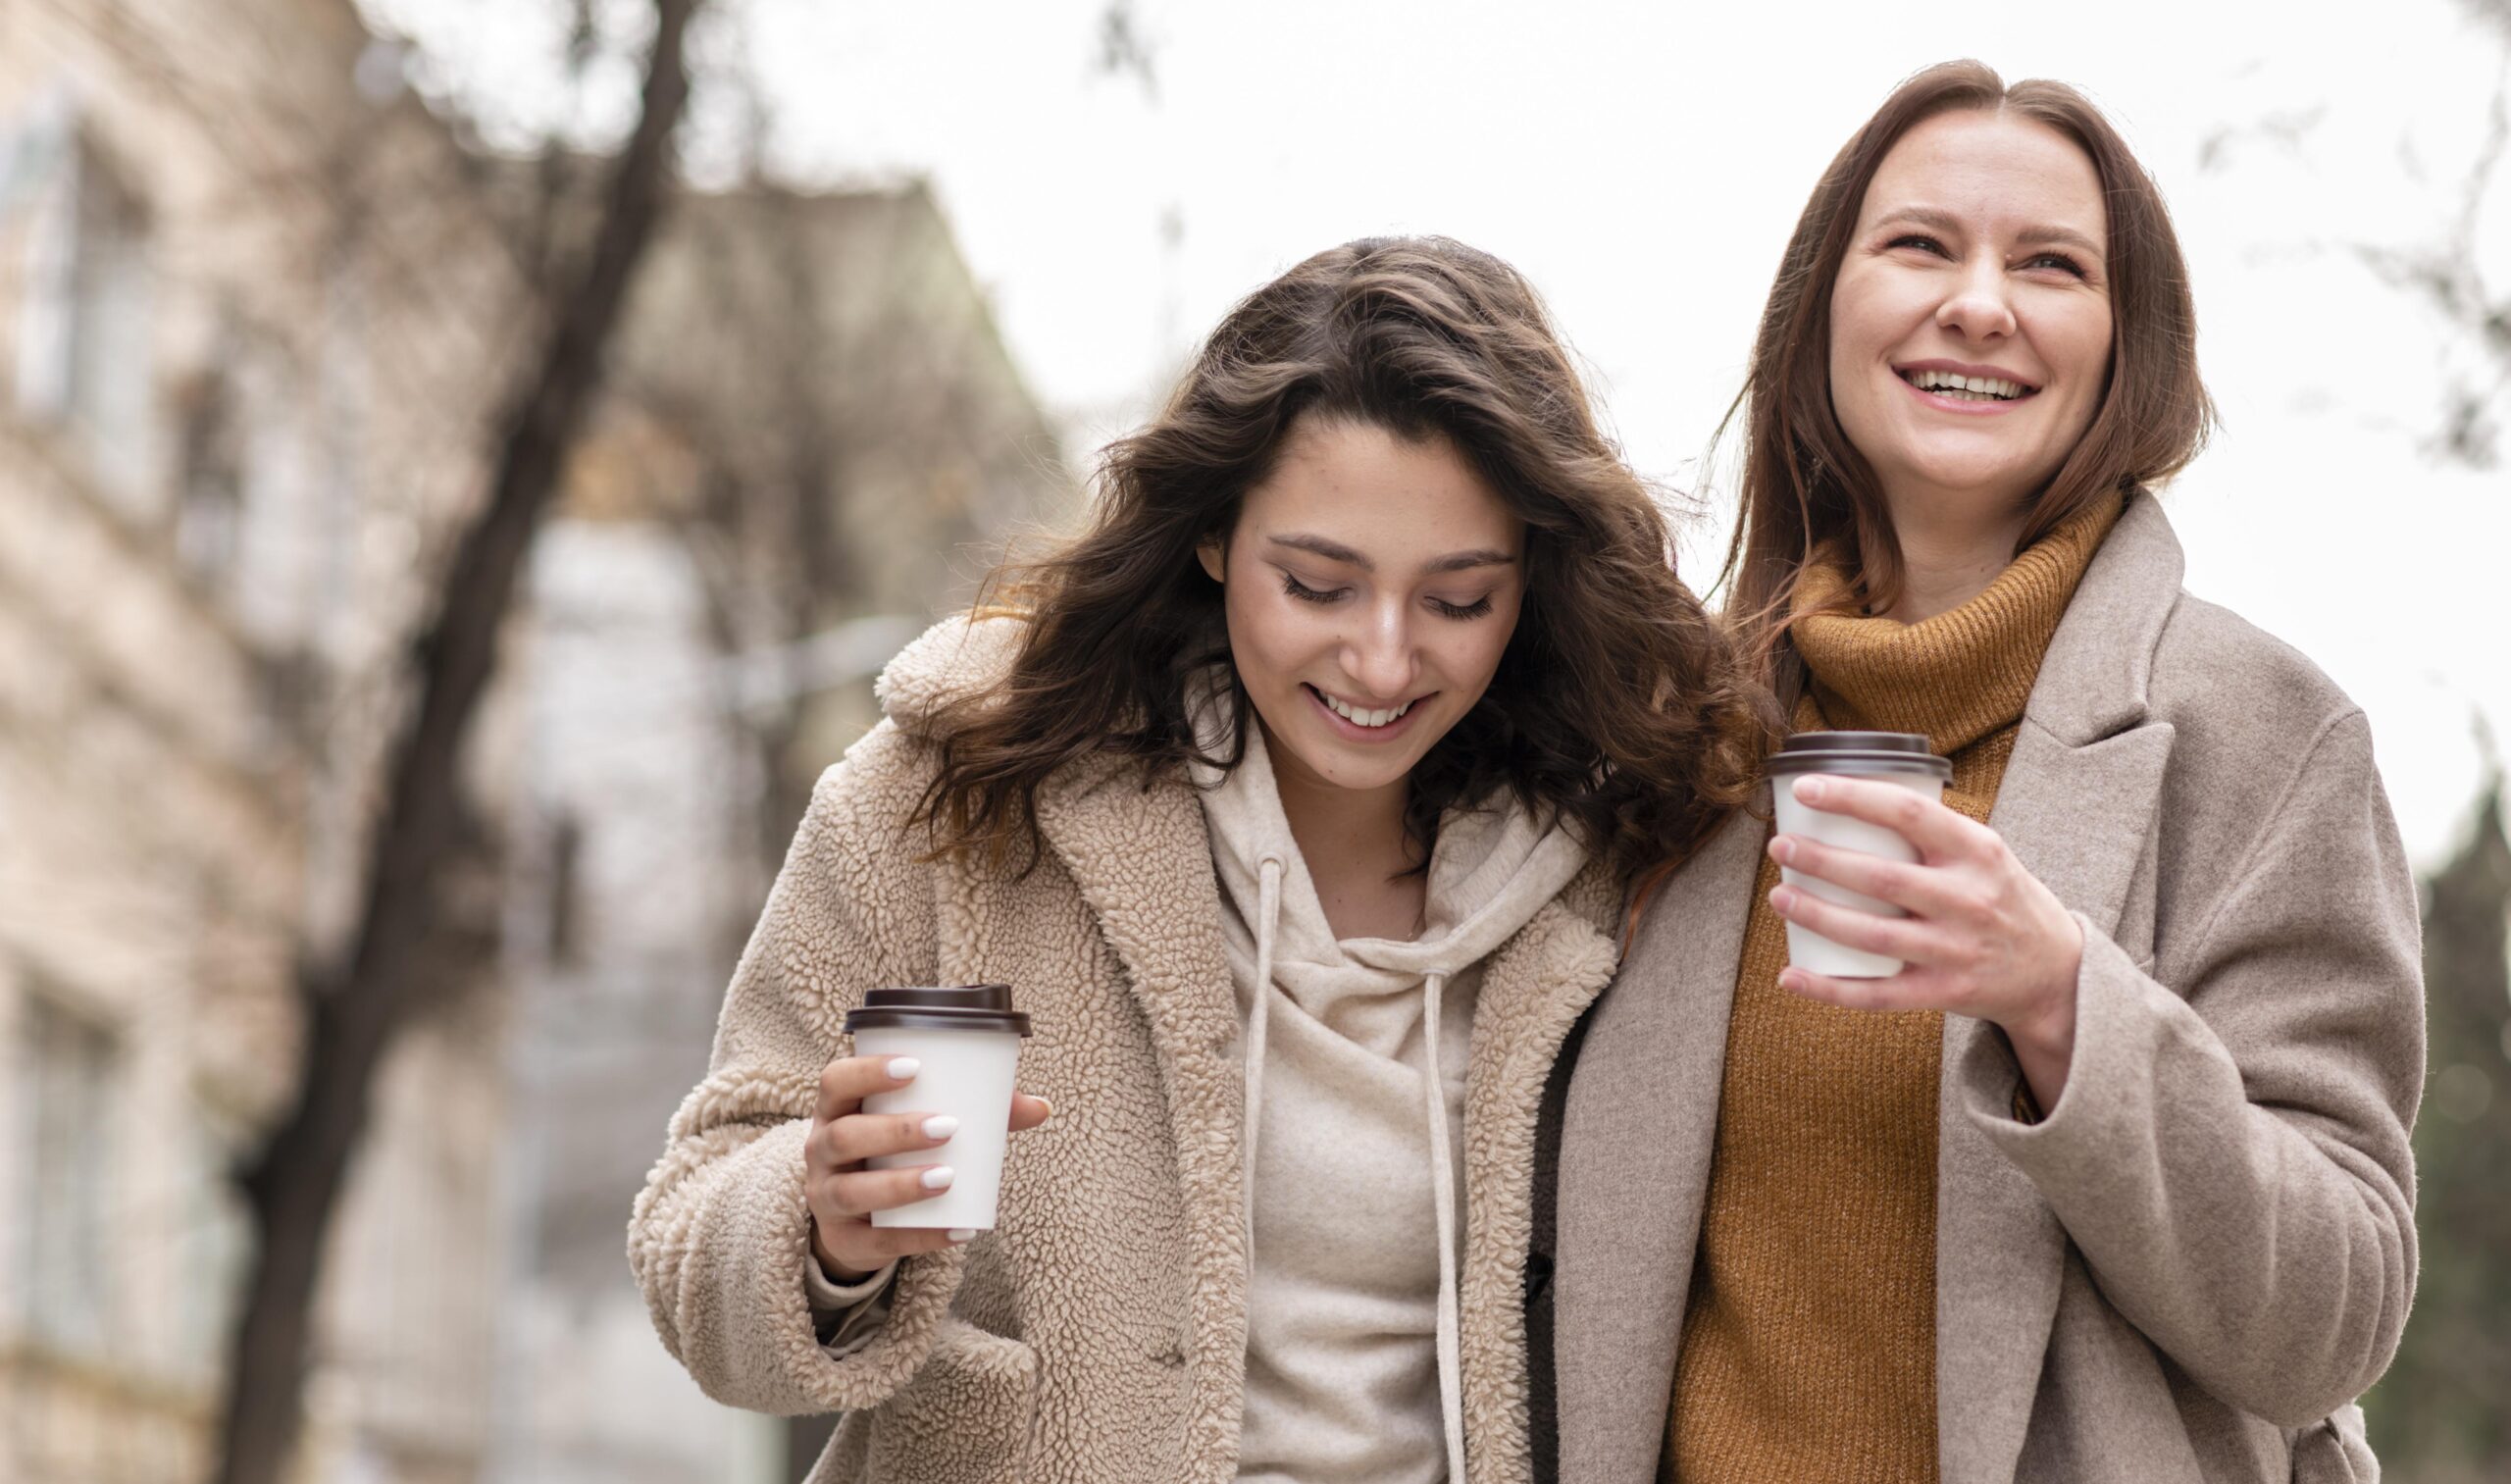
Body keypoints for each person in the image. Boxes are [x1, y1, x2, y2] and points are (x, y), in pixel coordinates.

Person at [629, 236, 1769, 1483]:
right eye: (1318, 585)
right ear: (1214, 535)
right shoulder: (959, 787)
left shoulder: (1632, 858)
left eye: (1457, 601)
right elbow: (694, 1242)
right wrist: (823, 1225)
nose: (1383, 660)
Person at [1538, 61, 2424, 1484]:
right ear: (1823, 311)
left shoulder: (2266, 737)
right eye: (1920, 245)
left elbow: (2335, 1318)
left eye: (2050, 265)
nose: (1978, 303)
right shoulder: (1674, 734)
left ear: (2128, 345)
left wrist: (2062, 997)